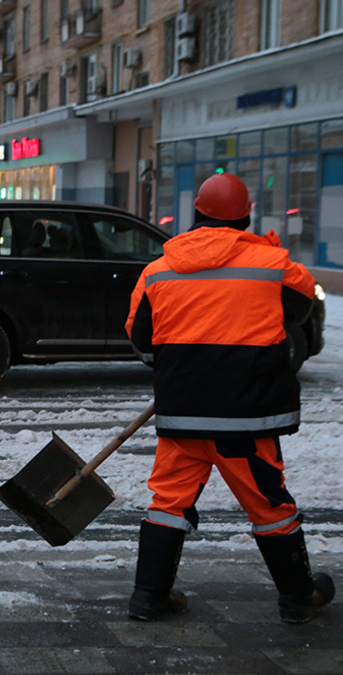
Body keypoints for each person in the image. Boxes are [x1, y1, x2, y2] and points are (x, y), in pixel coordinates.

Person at [124, 173, 333, 624]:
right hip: (246, 419)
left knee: (168, 502)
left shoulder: (158, 270)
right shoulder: (272, 263)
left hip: (183, 416)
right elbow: (302, 308)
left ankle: (149, 597)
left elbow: (140, 340)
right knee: (269, 505)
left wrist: (182, 364)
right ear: (246, 216)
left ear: (195, 213)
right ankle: (298, 596)